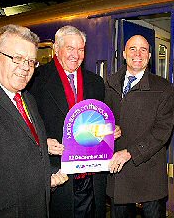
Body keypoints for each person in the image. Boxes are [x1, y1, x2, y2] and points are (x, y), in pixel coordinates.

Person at [0, 24, 68, 217]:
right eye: (17, 58)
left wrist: (46, 178)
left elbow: (21, 154)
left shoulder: (26, 98)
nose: (26, 67)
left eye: (31, 61)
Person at [28, 25, 120, 218]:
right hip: (58, 176)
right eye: (70, 48)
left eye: (80, 49)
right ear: (56, 49)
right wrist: (41, 143)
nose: (75, 55)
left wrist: (109, 130)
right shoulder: (35, 80)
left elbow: (96, 122)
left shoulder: (95, 82)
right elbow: (23, 126)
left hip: (92, 178)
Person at [105, 35, 174, 218]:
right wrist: (107, 129)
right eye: (132, 49)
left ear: (150, 55)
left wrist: (130, 152)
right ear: (124, 54)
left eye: (143, 49)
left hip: (149, 174)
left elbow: (162, 131)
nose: (138, 54)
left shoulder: (163, 88)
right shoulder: (109, 84)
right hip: (118, 173)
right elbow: (98, 116)